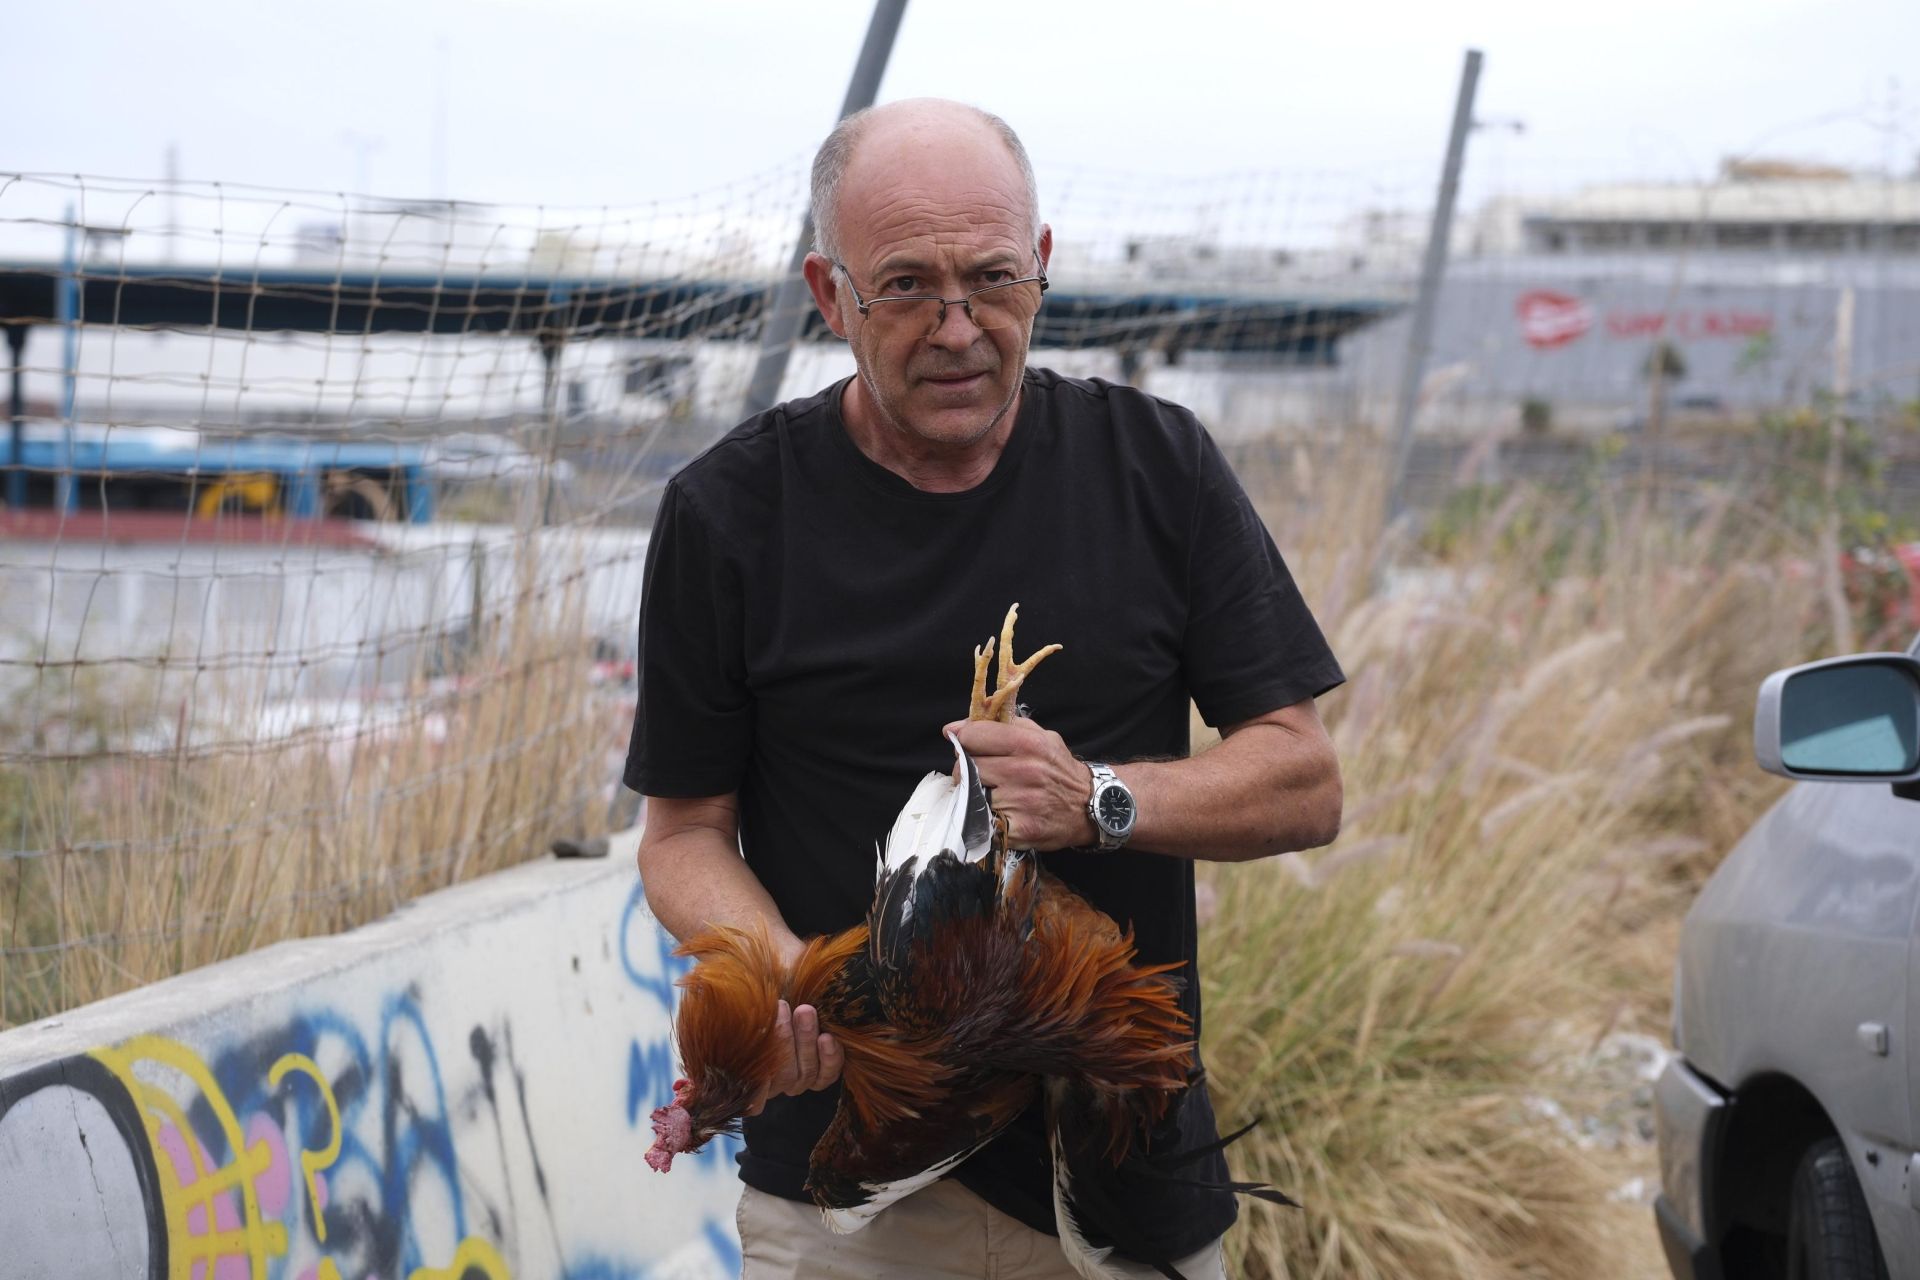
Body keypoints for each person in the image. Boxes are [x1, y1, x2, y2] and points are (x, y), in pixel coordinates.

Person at [627, 97, 1344, 1280]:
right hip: (845, 1194)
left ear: (1044, 267)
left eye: (994, 278)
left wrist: (1103, 797)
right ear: (829, 294)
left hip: (1122, 1178)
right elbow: (683, 834)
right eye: (906, 285)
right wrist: (792, 977)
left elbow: (1306, 776)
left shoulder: (1156, 467)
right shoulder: (730, 514)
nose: (960, 327)